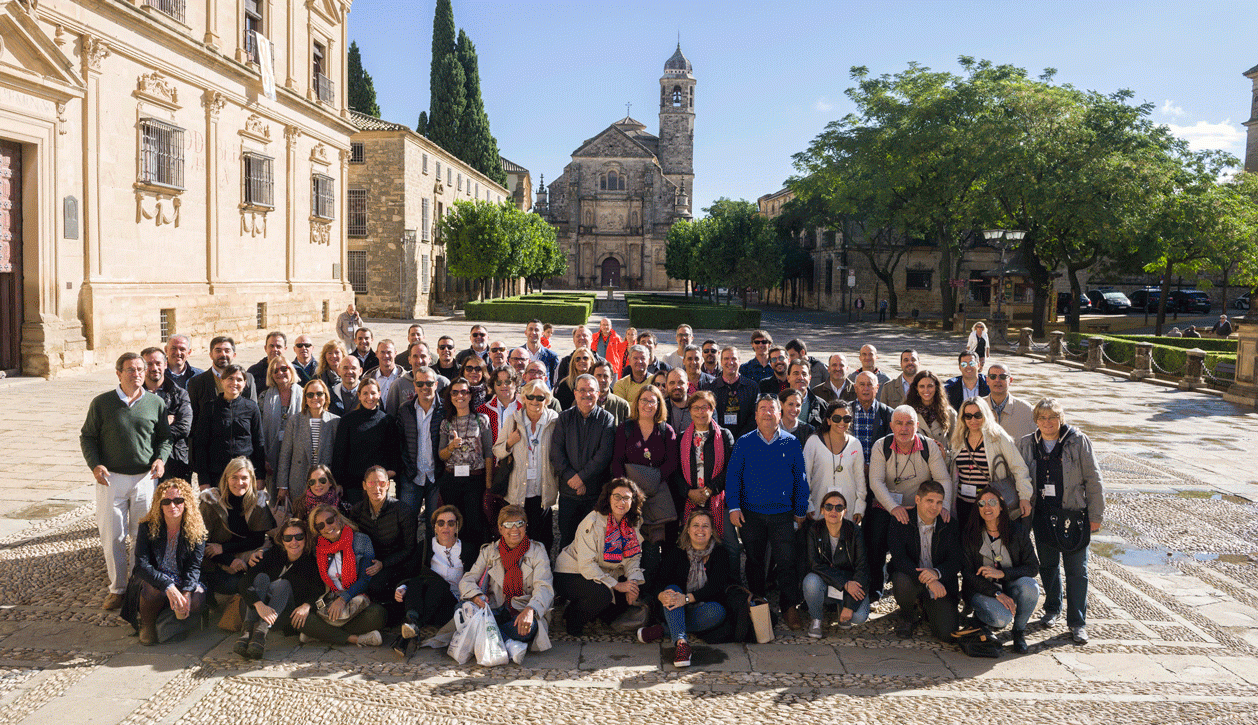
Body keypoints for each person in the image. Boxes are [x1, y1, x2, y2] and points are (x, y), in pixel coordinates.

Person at [1018, 398, 1104, 645]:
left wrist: (1096, 516)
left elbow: (1094, 479)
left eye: (1053, 417)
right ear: (1036, 420)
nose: (1047, 422)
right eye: (1042, 418)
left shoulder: (1078, 441)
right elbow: (1019, 477)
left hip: (1073, 515)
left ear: (1061, 418)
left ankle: (1077, 622)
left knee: (1077, 571)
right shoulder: (1027, 443)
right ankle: (1052, 608)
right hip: (1042, 516)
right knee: (1048, 565)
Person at [726, 394, 810, 629]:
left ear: (779, 414)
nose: (767, 413)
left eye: (771, 408)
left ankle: (789, 606)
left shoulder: (791, 442)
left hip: (782, 514)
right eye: (762, 408)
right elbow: (733, 477)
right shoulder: (744, 442)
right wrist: (734, 507)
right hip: (751, 513)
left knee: (786, 561)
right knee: (754, 561)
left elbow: (800, 478)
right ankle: (758, 604)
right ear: (756, 415)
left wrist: (800, 509)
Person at [867, 406, 953, 604]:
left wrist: (944, 507)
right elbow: (876, 482)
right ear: (891, 426)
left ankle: (918, 582)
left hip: (919, 508)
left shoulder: (929, 447)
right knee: (875, 539)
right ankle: (876, 587)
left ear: (917, 426)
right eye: (899, 423)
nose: (904, 428)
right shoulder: (881, 446)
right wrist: (893, 508)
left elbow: (943, 479)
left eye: (909, 424)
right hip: (887, 505)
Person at [636, 509, 731, 667]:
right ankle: (682, 644)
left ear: (712, 530)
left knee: (718, 612)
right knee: (672, 589)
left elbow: (716, 587)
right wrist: (661, 595)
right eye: (696, 525)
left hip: (703, 608)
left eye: (705, 526)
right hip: (674, 607)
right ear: (688, 529)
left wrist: (686, 599)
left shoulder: (720, 553)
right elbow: (659, 581)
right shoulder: (677, 552)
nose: (700, 530)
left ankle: (664, 630)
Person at [554, 478, 646, 636]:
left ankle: (594, 614)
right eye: (617, 496)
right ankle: (572, 618)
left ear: (633, 501)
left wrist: (633, 584)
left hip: (605, 573)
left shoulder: (633, 523)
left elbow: (633, 558)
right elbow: (587, 565)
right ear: (608, 497)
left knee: (627, 597)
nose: (621, 502)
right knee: (602, 595)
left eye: (627, 498)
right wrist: (617, 585)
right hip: (572, 573)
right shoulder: (592, 521)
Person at [121, 477, 206, 645]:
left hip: (181, 576)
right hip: (154, 577)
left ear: (187, 502)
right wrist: (167, 585)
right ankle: (147, 624)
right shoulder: (147, 526)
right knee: (153, 590)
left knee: (197, 599)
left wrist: (187, 592)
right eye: (166, 501)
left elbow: (194, 567)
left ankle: (171, 622)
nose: (172, 506)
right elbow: (142, 565)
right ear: (159, 504)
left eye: (178, 500)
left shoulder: (197, 529)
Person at [462, 505, 555, 655]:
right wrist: (476, 596)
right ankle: (508, 643)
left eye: (519, 523)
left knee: (528, 628)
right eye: (508, 524)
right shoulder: (489, 551)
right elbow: (468, 580)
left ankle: (484, 638)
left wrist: (530, 610)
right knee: (461, 609)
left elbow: (544, 587)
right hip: (495, 609)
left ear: (525, 526)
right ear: (500, 529)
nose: (514, 529)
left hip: (522, 610)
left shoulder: (538, 551)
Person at [612, 384, 679, 581]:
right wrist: (626, 490)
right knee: (631, 540)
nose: (648, 405)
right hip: (630, 496)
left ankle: (653, 585)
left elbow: (672, 462)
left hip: (656, 494)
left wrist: (651, 482)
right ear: (637, 403)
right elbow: (617, 461)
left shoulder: (666, 430)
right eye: (644, 400)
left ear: (659, 405)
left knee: (654, 543)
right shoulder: (625, 428)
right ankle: (630, 583)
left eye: (652, 401)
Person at [961, 489, 1040, 654]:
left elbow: (1033, 567)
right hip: (981, 590)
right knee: (1002, 619)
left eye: (992, 502)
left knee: (1031, 587)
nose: (987, 507)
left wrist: (1003, 573)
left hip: (1009, 586)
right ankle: (980, 619)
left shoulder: (1018, 531)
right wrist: (996, 593)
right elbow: (968, 574)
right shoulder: (970, 533)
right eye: (982, 503)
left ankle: (1019, 631)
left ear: (1001, 506)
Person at [296, 504, 386, 647]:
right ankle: (355, 639)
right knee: (301, 619)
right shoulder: (317, 549)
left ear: (338, 518)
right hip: (329, 600)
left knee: (378, 615)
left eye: (330, 520)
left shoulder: (361, 540)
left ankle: (320, 633)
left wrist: (343, 599)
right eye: (320, 525)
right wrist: (308, 605)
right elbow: (316, 584)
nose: (327, 527)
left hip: (355, 600)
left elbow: (365, 579)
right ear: (317, 530)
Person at [392, 505, 476, 657]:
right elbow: (410, 574)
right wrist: (402, 587)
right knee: (418, 581)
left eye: (451, 523)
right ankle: (412, 623)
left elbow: (474, 579)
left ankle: (409, 632)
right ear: (435, 527)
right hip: (425, 602)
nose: (445, 527)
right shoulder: (425, 546)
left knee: (437, 583)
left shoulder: (467, 549)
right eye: (441, 523)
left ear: (457, 527)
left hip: (450, 606)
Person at [235, 518, 322, 659]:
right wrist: (259, 604)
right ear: (282, 540)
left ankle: (261, 632)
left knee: (283, 584)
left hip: (283, 615)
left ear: (306, 538)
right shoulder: (272, 554)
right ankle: (247, 633)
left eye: (299, 537)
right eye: (288, 538)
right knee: (261, 577)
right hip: (255, 609)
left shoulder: (311, 563)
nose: (294, 542)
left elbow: (318, 589)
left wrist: (307, 605)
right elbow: (244, 581)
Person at [887, 480, 961, 641]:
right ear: (917, 500)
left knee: (947, 634)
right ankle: (908, 615)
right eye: (929, 501)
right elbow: (899, 559)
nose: (934, 507)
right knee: (901, 578)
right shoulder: (901, 522)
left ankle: (927, 607)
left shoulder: (950, 525)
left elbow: (956, 560)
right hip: (912, 577)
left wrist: (937, 573)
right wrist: (929, 580)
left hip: (940, 581)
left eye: (939, 502)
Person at [671, 391, 736, 573]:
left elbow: (730, 469)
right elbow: (675, 471)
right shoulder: (681, 438)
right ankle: (693, 580)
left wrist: (710, 490)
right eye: (696, 408)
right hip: (690, 500)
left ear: (712, 409)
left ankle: (732, 582)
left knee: (730, 545)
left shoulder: (724, 435)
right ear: (690, 411)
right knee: (687, 543)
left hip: (718, 499)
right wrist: (688, 492)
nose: (700, 412)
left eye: (705, 407)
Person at [551, 374, 617, 548]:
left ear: (598, 393)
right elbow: (556, 452)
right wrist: (571, 478)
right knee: (567, 539)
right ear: (575, 393)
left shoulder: (607, 419)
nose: (586, 394)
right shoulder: (564, 418)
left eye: (591, 390)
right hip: (568, 492)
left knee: (593, 541)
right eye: (582, 390)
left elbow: (603, 455)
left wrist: (582, 478)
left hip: (595, 493)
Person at [493, 379, 560, 549]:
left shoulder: (554, 421)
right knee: (517, 537)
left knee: (542, 538)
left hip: (542, 490)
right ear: (523, 398)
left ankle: (542, 565)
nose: (535, 401)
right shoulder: (513, 420)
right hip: (517, 491)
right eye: (530, 396)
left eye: (540, 397)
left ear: (547, 400)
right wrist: (509, 442)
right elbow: (497, 451)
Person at [198, 457, 276, 597]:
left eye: (244, 478)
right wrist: (229, 560)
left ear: (251, 479)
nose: (239, 483)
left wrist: (224, 548)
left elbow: (257, 540)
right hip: (217, 558)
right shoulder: (211, 502)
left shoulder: (257, 501)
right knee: (233, 584)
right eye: (234, 477)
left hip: (243, 551)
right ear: (226, 478)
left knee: (264, 567)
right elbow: (201, 543)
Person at [348, 467, 416, 625]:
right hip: (367, 560)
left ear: (388, 485)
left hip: (394, 562)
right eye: (371, 483)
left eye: (381, 483)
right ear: (364, 485)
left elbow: (409, 549)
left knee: (375, 586)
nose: (376, 488)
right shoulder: (357, 510)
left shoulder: (403, 511)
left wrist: (383, 564)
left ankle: (384, 619)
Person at [949, 397, 1033, 526]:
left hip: (989, 505)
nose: (973, 420)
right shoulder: (958, 438)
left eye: (978, 415)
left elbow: (1018, 467)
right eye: (968, 416)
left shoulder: (997, 436)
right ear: (962, 418)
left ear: (985, 415)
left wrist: (1025, 497)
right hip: (962, 503)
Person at [801, 491, 870, 638]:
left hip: (850, 583)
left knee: (858, 617)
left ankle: (842, 607)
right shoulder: (814, 530)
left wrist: (849, 606)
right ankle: (816, 619)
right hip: (827, 581)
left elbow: (862, 568)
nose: (833, 511)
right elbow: (814, 564)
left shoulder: (855, 531)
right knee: (810, 582)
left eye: (839, 508)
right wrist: (844, 583)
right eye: (829, 507)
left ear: (845, 511)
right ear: (822, 510)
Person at [437, 378, 495, 553]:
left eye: (464, 391)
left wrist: (488, 484)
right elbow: (441, 455)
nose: (459, 396)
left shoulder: (481, 419)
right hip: (451, 479)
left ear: (470, 396)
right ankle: (454, 558)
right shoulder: (446, 423)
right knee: (453, 522)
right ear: (450, 397)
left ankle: (475, 560)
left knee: (474, 523)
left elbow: (488, 452)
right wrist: (451, 446)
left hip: (475, 479)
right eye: (455, 392)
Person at [190, 363, 265, 491]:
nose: (234, 383)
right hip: (216, 474)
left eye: (239, 380)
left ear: (245, 383)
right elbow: (201, 445)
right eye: (230, 378)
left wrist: (260, 476)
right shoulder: (210, 408)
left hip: (244, 475)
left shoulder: (251, 407)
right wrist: (203, 480)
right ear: (222, 381)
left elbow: (258, 443)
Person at [332, 378, 401, 505]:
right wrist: (338, 483)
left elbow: (394, 452)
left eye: (373, 393)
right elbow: (339, 453)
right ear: (359, 395)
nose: (369, 397)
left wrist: (389, 474)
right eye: (365, 393)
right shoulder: (347, 420)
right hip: (352, 487)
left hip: (378, 486)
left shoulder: (387, 420)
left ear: (379, 394)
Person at [275, 379, 340, 506]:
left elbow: (339, 457)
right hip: (299, 480)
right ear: (305, 398)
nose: (315, 398)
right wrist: (282, 485)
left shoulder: (335, 421)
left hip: (325, 483)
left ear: (326, 396)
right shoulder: (294, 421)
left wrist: (338, 483)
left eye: (319, 393)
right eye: (310, 395)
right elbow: (285, 455)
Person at [803, 401, 865, 523]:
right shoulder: (813, 441)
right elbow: (805, 476)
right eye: (837, 418)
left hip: (847, 510)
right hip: (818, 508)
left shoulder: (855, 444)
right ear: (828, 420)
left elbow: (860, 479)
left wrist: (859, 507)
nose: (842, 422)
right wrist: (807, 503)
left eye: (846, 418)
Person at [398, 366, 445, 519]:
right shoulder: (405, 409)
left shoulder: (446, 409)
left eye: (429, 383)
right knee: (407, 522)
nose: (425, 387)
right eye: (420, 384)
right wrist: (405, 468)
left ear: (436, 385)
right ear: (414, 385)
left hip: (436, 477)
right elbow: (400, 443)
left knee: (435, 523)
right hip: (412, 476)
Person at [140, 346, 192, 483]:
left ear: (165, 365)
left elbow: (184, 428)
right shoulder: (134, 395)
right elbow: (132, 429)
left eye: (158, 363)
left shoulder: (180, 394)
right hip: (143, 461)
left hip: (175, 461)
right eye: (149, 364)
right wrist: (164, 422)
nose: (154, 368)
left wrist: (150, 429)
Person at [259, 356, 302, 498]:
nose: (280, 373)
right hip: (272, 453)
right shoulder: (264, 397)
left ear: (291, 370)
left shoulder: (305, 395)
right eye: (275, 370)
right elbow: (259, 430)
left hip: (297, 453)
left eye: (284, 368)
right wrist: (264, 458)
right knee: (275, 497)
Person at [187, 336, 258, 420]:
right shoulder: (197, 382)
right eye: (218, 351)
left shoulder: (248, 378)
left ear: (234, 355)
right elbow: (193, 416)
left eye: (227, 351)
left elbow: (253, 411)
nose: (223, 354)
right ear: (211, 355)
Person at [703, 346, 760, 437]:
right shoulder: (710, 388)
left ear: (739, 362)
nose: (730, 362)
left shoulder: (752, 387)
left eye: (734, 359)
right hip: (717, 437)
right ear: (721, 362)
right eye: (726, 359)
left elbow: (755, 416)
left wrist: (742, 437)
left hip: (746, 438)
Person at [384, 342, 449, 416]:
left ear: (429, 359)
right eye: (415, 356)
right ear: (409, 359)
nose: (419, 361)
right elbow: (391, 416)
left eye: (423, 356)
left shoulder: (443, 383)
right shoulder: (398, 385)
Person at [984, 363, 1036, 443]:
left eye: (1002, 377)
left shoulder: (1026, 410)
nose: (997, 380)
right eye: (993, 376)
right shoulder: (977, 407)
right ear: (987, 380)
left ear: (1010, 380)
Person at [849, 371, 893, 466]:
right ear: (855, 388)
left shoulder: (888, 413)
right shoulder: (846, 411)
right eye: (862, 385)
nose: (866, 388)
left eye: (870, 384)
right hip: (850, 468)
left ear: (877, 388)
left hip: (879, 468)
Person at [907, 370, 955, 453]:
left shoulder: (949, 413)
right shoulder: (908, 412)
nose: (926, 390)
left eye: (930, 386)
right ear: (916, 388)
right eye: (922, 386)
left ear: (936, 387)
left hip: (941, 459)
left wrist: (946, 456)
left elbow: (955, 445)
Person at [478, 365, 521, 440]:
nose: (503, 385)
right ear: (493, 386)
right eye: (498, 382)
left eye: (508, 382)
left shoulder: (525, 408)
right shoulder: (483, 410)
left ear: (515, 384)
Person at [247, 331, 288, 398]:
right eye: (271, 346)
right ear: (265, 348)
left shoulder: (290, 371)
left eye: (278, 346)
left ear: (285, 349)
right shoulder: (254, 372)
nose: (275, 349)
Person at [592, 360, 631, 425]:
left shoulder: (622, 405)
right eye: (598, 376)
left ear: (611, 379)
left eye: (606, 376)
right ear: (593, 378)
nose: (602, 380)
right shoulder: (583, 402)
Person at [365, 339, 403, 404]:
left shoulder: (405, 378)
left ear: (395, 353)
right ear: (376, 354)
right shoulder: (367, 379)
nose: (386, 356)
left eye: (389, 352)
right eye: (382, 352)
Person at [524, 319, 560, 385]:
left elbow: (555, 379)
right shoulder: (516, 354)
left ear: (542, 333)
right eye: (530, 329)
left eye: (536, 330)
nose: (533, 332)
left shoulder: (551, 356)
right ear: (525, 332)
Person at [664, 369, 692, 433]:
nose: (676, 387)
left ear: (687, 385)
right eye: (672, 383)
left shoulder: (698, 406)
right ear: (666, 386)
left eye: (681, 383)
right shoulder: (660, 408)